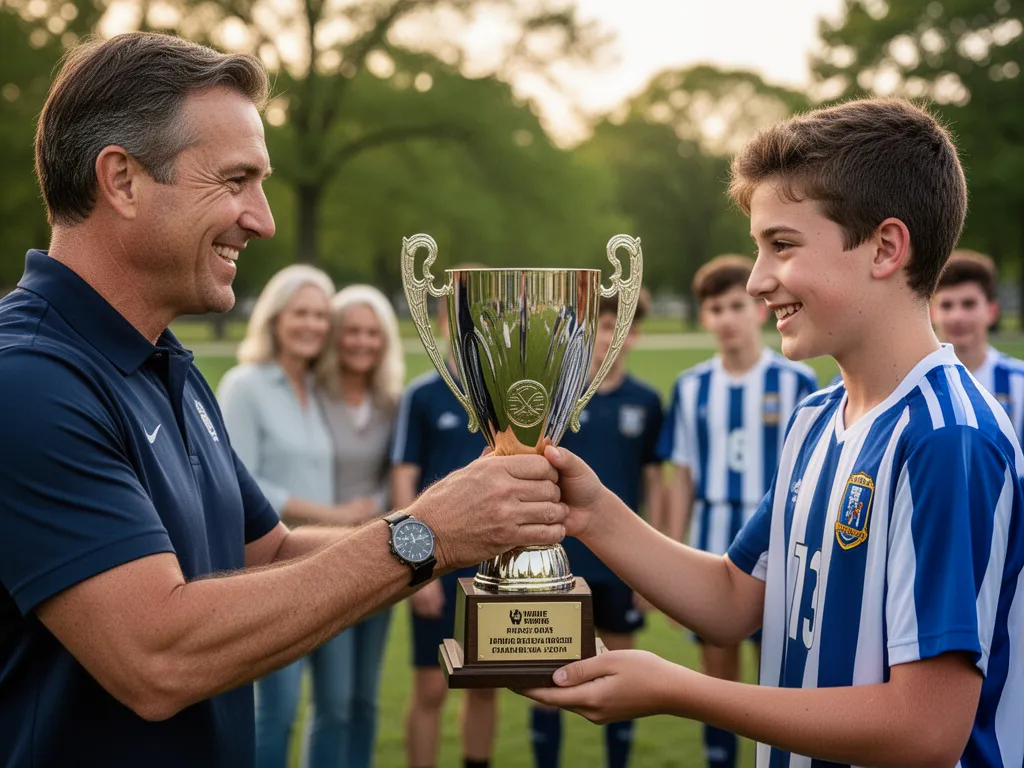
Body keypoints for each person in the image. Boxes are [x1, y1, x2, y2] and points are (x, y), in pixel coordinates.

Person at [0, 32, 568, 766]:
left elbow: (269, 552)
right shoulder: (29, 382)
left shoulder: (165, 365)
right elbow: (155, 656)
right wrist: (422, 536)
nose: (262, 219)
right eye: (235, 181)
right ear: (122, 180)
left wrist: (468, 530)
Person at [523, 98, 1024, 768]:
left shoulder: (945, 440)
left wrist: (682, 688)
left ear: (885, 247)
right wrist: (589, 512)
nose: (759, 281)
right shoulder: (815, 420)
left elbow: (923, 729)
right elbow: (735, 599)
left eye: (782, 246)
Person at [657, 255, 817, 768]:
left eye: (734, 305)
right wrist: (672, 547)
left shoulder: (797, 379)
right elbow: (680, 474)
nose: (725, 318)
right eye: (713, 308)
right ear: (704, 318)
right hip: (712, 532)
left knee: (778, 675)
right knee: (716, 674)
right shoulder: (691, 387)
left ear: (755, 310)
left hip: (778, 538)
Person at [216, 266, 378, 767]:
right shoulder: (246, 385)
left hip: (333, 563)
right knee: (277, 709)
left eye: (319, 316)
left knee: (335, 706)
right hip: (272, 567)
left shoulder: (320, 388)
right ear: (275, 318)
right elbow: (236, 479)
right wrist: (329, 513)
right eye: (300, 313)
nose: (311, 324)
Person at [529, 290, 663, 768]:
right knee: (546, 677)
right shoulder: (552, 402)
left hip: (619, 565)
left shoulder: (646, 402)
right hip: (559, 563)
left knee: (619, 673)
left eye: (619, 327)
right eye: (602, 327)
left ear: (635, 335)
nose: (611, 338)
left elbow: (655, 484)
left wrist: (652, 570)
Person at [394, 299, 498, 768]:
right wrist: (419, 571)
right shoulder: (422, 396)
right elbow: (403, 485)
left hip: (493, 565)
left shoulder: (507, 394)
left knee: (486, 684)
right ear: (441, 323)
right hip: (434, 561)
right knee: (431, 687)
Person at [316, 284, 407, 767]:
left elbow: (401, 476)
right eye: (351, 330)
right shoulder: (312, 394)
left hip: (380, 555)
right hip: (325, 555)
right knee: (332, 701)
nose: (361, 342)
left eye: (372, 333)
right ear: (334, 335)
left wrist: (379, 508)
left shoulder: (392, 403)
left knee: (365, 699)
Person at [930, 249, 1024, 441]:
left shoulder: (1019, 383)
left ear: (992, 311)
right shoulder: (913, 383)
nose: (957, 317)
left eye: (969, 304)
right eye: (947, 305)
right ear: (931, 313)